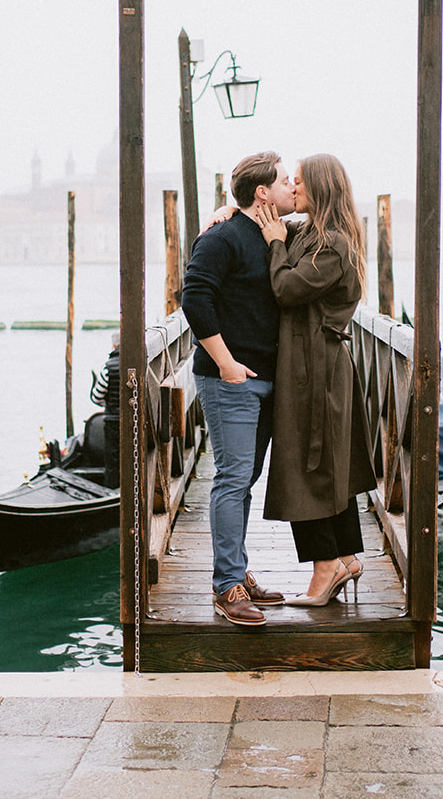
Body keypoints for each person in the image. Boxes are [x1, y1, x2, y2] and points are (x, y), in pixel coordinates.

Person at [179, 151, 295, 626]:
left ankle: (238, 572)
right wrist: (226, 364)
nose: (293, 188)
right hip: (231, 378)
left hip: (267, 376)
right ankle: (226, 587)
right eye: (286, 181)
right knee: (231, 478)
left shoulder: (275, 234)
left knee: (244, 479)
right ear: (262, 191)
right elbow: (194, 297)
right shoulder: (222, 236)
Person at [256, 154, 376, 606]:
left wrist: (273, 245)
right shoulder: (310, 233)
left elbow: (286, 289)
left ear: (321, 188)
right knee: (327, 469)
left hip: (317, 370)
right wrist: (229, 211)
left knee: (302, 469)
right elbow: (273, 227)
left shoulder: (333, 246)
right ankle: (343, 557)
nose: (293, 187)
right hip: (308, 367)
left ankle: (325, 568)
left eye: (300, 182)